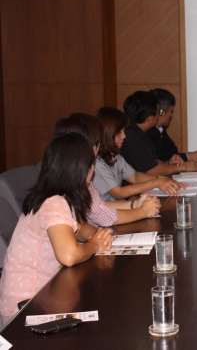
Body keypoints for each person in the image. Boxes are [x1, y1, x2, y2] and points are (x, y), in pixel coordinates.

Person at [0, 133, 114, 324]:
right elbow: (68, 256)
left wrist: (98, 235)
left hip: (43, 295)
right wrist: (95, 245)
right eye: (90, 163)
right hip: (26, 308)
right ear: (81, 169)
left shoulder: (57, 197)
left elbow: (78, 230)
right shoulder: (54, 203)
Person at [55, 114, 161, 226]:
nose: (98, 144)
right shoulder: (80, 175)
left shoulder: (80, 175)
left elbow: (100, 205)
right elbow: (103, 216)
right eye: (96, 140)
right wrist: (143, 211)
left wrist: (135, 204)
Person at [93, 106, 186, 201]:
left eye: (124, 131)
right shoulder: (96, 163)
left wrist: (162, 178)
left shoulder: (114, 155)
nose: (124, 136)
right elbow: (119, 193)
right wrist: (156, 182)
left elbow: (135, 177)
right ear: (107, 133)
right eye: (119, 132)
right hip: (109, 209)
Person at [120, 91, 197, 175]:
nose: (159, 116)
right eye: (158, 112)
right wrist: (183, 167)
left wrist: (168, 163)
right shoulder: (131, 136)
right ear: (150, 119)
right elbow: (152, 170)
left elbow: (153, 161)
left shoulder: (140, 132)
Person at [147, 88, 197, 166]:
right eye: (171, 111)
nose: (171, 115)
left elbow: (172, 152)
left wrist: (187, 157)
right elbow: (158, 159)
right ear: (161, 113)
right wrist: (188, 157)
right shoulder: (147, 132)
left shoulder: (161, 129)